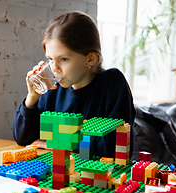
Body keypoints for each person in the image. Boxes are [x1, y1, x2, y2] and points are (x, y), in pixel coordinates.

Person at [12, 11, 136, 158]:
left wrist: (56, 142)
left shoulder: (112, 83)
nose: (54, 68)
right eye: (50, 59)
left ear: (90, 59)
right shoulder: (52, 88)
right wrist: (32, 99)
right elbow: (23, 138)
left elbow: (112, 146)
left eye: (63, 59)